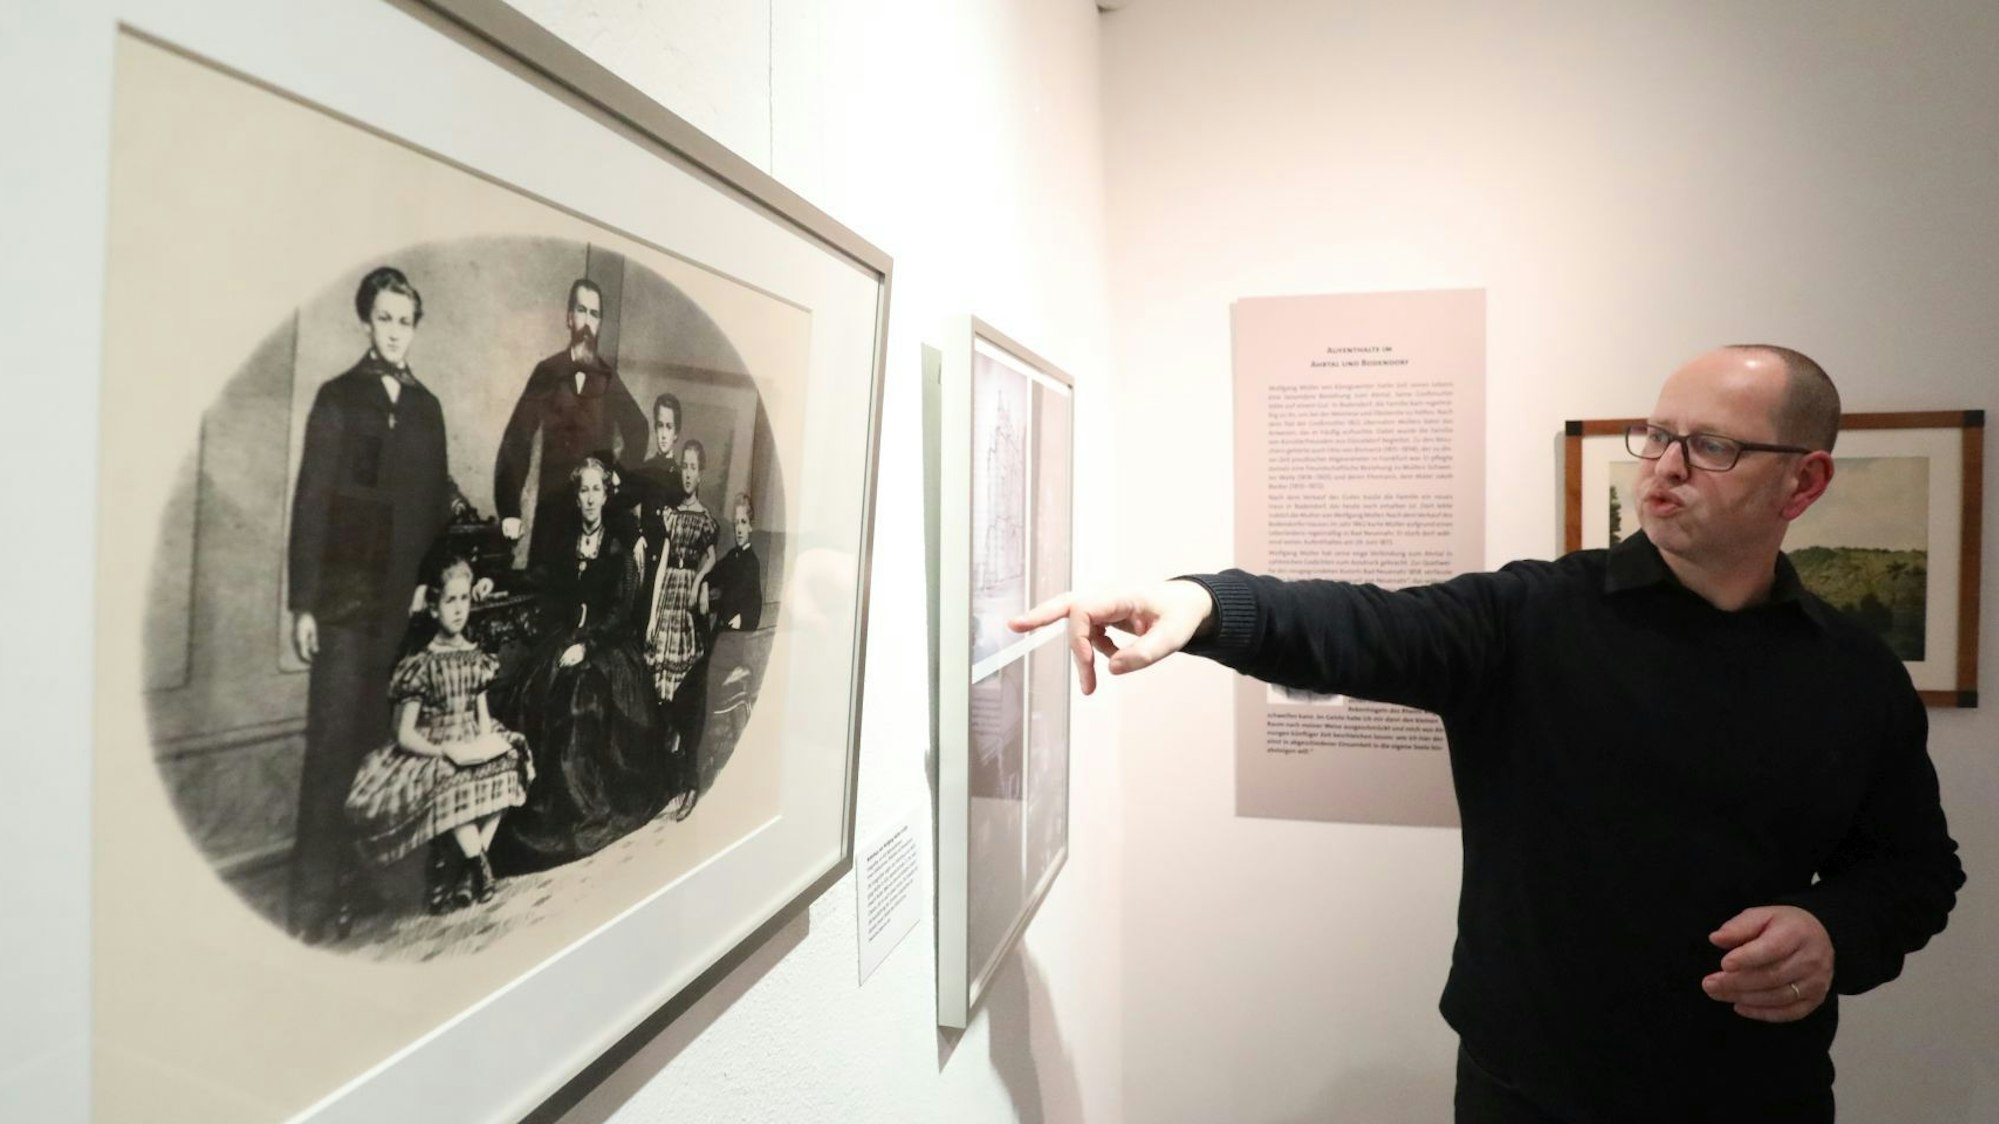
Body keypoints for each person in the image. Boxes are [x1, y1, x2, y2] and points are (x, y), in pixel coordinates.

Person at [1013, 346, 1964, 1123]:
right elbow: (1366, 625)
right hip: (1533, 1095)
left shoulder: (1852, 671)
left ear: (1804, 481)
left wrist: (1831, 931)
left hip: (1756, 1096)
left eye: (1711, 445)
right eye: (1659, 436)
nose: (1666, 466)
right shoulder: (1535, 618)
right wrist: (1202, 605)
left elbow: (1914, 872)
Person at [286, 265, 452, 943]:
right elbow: (311, 503)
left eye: (404, 321)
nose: (394, 333)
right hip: (341, 605)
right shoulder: (337, 398)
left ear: (415, 328)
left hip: (398, 610)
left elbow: (433, 508)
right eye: (384, 318)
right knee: (331, 751)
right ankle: (311, 907)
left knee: (379, 749)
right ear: (366, 321)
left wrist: (424, 583)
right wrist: (303, 605)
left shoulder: (426, 409)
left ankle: (371, 887)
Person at [490, 459, 674, 872]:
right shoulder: (567, 544)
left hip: (607, 648)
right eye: (583, 491)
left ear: (607, 496)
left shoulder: (617, 550)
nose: (589, 498)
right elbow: (546, 585)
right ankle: (531, 803)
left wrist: (587, 647)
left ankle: (578, 810)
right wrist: (497, 580)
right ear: (577, 498)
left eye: (596, 490)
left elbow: (620, 612)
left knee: (579, 701)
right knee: (530, 696)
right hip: (567, 638)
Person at [343, 558, 534, 912]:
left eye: (464, 599)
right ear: (433, 608)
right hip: (433, 745)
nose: (459, 609)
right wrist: (442, 750)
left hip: (470, 741)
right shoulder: (423, 663)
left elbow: (483, 719)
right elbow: (404, 734)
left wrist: (492, 742)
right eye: (450, 601)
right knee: (452, 777)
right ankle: (479, 868)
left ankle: (467, 871)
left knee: (511, 764)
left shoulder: (476, 657)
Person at [493, 277, 649, 571]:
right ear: (569, 317)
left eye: (594, 314)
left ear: (600, 323)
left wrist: (617, 476)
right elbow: (517, 439)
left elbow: (639, 428)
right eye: (581, 311)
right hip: (553, 516)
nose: (588, 322)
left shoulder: (607, 377)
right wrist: (510, 509)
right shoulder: (548, 372)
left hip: (595, 522)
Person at [644, 440, 719, 803]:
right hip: (668, 598)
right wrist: (652, 617)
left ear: (701, 473)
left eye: (693, 467)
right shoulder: (671, 515)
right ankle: (664, 776)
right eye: (684, 467)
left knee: (682, 688)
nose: (688, 473)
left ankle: (682, 774)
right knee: (661, 692)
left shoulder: (705, 520)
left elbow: (710, 557)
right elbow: (661, 566)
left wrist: (701, 580)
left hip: (687, 601)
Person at [617, 392, 691, 568]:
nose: (663, 434)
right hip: (647, 560)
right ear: (655, 429)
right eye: (660, 426)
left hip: (673, 564)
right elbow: (615, 506)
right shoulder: (645, 470)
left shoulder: (683, 478)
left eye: (668, 427)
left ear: (676, 433)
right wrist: (635, 538)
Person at [707, 491, 763, 634]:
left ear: (750, 527)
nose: (739, 529)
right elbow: (713, 575)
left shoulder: (752, 563)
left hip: (737, 634)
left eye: (743, 522)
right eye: (736, 523)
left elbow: (755, 603)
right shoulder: (731, 556)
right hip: (722, 629)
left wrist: (741, 619)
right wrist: (703, 588)